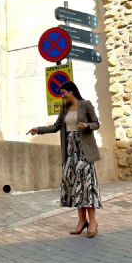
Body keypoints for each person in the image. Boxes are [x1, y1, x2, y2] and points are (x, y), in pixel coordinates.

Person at [27, 81, 102, 237]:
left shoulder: (85, 104)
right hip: (70, 153)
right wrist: (38, 130)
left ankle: (93, 222)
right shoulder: (64, 108)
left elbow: (96, 123)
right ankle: (82, 221)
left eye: (63, 93)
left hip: (84, 153)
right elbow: (56, 126)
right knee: (76, 188)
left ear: (71, 92)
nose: (62, 96)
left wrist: (86, 125)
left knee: (88, 187)